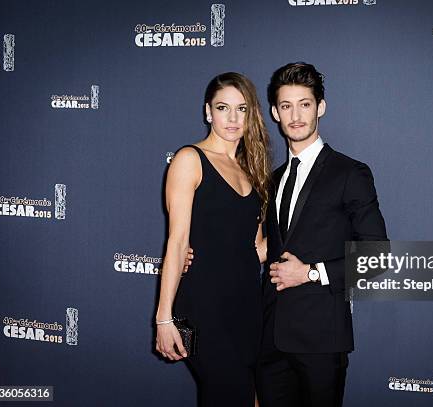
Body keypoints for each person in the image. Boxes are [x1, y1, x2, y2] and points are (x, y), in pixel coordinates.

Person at [256, 62, 388, 407]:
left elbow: (378, 256)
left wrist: (312, 272)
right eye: (286, 106)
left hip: (321, 341)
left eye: (305, 104)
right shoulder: (273, 179)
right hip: (270, 340)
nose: (296, 115)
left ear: (321, 107)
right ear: (275, 112)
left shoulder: (350, 173)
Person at [155, 72, 271, 407]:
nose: (233, 118)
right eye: (223, 108)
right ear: (208, 111)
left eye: (241, 109)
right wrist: (164, 317)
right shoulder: (190, 160)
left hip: (247, 307)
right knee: (228, 392)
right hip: (205, 307)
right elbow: (177, 243)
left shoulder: (253, 169)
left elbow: (257, 249)